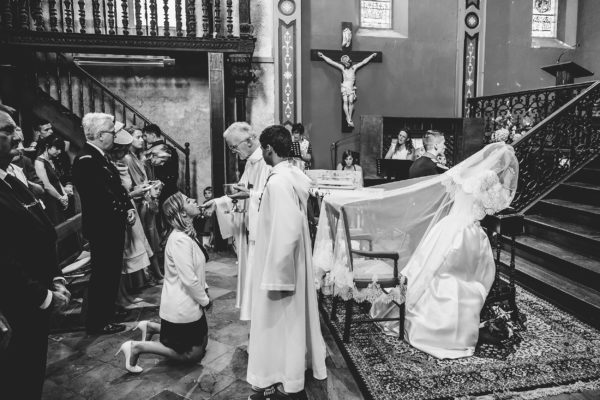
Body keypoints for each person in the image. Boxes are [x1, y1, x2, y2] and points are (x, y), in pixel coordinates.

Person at [247, 125, 326, 399]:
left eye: (262, 148)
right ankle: (283, 375)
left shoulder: (279, 182)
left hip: (281, 270)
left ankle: (284, 380)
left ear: (269, 148)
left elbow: (287, 229)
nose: (262, 153)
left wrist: (277, 275)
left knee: (280, 325)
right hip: (290, 265)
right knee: (286, 325)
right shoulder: (290, 175)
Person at [0, 106, 71, 399]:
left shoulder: (11, 180)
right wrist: (43, 296)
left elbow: (43, 229)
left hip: (36, 294)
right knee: (18, 378)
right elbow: (4, 259)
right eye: (8, 130)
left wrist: (56, 277)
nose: (19, 136)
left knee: (31, 373)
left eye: (17, 128)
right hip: (18, 304)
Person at [116, 192, 211, 373]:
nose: (195, 201)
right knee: (193, 355)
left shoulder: (187, 233)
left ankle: (150, 327)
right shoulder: (180, 240)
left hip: (190, 301)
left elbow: (197, 272)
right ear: (182, 213)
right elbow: (189, 279)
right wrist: (205, 301)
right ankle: (136, 347)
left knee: (203, 344)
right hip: (181, 304)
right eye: (189, 201)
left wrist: (204, 289)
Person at [72, 113, 136, 335]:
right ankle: (98, 321)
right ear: (100, 135)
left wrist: (127, 206)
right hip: (103, 227)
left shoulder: (100, 156)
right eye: (112, 131)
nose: (115, 135)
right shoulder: (86, 159)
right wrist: (120, 210)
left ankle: (108, 310)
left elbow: (116, 187)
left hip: (111, 224)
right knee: (103, 273)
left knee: (111, 271)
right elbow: (100, 197)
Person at [202, 122, 271, 321]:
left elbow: (270, 195)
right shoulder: (251, 161)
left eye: (234, 146)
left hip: (261, 233)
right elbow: (242, 193)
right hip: (250, 230)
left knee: (259, 279)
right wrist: (216, 202)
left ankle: (262, 322)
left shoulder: (265, 162)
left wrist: (249, 194)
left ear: (249, 140)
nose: (233, 152)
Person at [108, 124, 158, 309]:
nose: (124, 152)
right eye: (121, 149)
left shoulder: (121, 162)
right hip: (120, 211)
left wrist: (133, 192)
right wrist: (132, 194)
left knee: (131, 249)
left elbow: (123, 190)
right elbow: (115, 192)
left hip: (128, 208)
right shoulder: (115, 163)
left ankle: (125, 294)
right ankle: (120, 296)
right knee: (122, 255)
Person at [123, 125, 164, 283]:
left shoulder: (138, 156)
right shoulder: (127, 158)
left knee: (151, 237)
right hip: (139, 203)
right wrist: (148, 188)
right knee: (145, 238)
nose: (142, 140)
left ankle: (154, 274)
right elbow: (134, 185)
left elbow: (144, 180)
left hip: (147, 201)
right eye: (138, 137)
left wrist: (154, 184)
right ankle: (150, 275)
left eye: (142, 137)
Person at [317, 51, 378, 127]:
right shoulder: (343, 68)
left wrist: (371, 56)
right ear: (344, 63)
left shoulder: (353, 68)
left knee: (351, 101)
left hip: (351, 88)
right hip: (345, 87)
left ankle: (349, 118)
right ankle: (349, 118)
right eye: (346, 62)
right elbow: (331, 62)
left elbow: (364, 62)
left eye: (348, 61)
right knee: (346, 101)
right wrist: (323, 56)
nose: (347, 63)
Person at [34, 135, 70, 225]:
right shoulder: (39, 161)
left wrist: (64, 194)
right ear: (47, 146)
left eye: (61, 149)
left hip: (59, 195)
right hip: (51, 198)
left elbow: (57, 180)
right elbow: (46, 185)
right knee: (58, 224)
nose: (59, 151)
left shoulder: (52, 159)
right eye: (57, 148)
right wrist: (60, 198)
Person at [143, 123, 179, 207]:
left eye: (145, 135)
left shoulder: (155, 150)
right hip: (171, 186)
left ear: (153, 135)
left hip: (162, 188)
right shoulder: (170, 148)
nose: (144, 139)